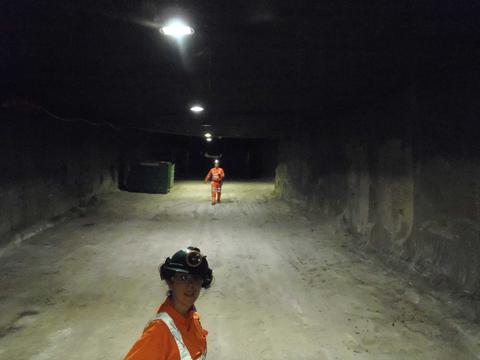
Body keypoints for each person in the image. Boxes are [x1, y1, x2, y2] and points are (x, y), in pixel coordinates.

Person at [124, 247, 213, 360]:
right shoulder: (159, 331)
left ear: (202, 282)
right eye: (183, 278)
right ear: (171, 282)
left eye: (196, 278)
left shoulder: (192, 317)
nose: (191, 285)